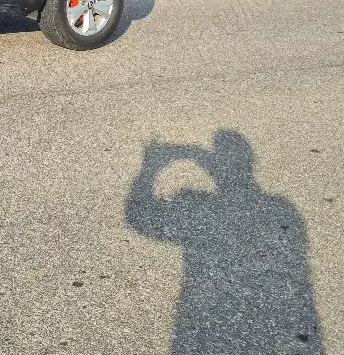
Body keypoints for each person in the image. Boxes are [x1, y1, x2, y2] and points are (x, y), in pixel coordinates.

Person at [125, 130, 324, 355]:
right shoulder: (282, 208)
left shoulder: (200, 207)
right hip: (283, 325)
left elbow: (138, 218)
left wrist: (151, 167)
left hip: (205, 323)